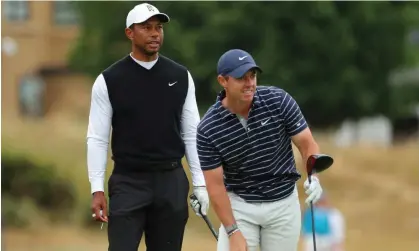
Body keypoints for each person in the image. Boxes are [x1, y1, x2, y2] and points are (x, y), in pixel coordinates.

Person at [85, 3, 209, 251]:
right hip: (128, 181)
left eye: (159, 28)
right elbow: (97, 138)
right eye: (147, 28)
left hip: (170, 180)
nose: (155, 34)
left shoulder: (181, 76)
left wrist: (200, 183)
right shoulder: (109, 80)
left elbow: (191, 133)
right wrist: (97, 189)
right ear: (130, 33)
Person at [196, 49, 325, 251]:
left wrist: (313, 176)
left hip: (283, 204)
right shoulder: (208, 128)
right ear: (223, 81)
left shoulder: (278, 100)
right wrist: (233, 232)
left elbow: (307, 143)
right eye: (241, 78)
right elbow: (215, 187)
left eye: (252, 76)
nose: (250, 83)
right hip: (241, 205)